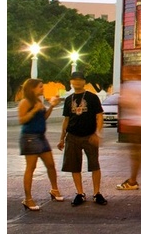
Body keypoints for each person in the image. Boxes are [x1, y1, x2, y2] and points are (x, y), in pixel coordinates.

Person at [57, 71, 106, 206]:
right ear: (71, 82)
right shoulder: (69, 99)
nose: (77, 82)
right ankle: (80, 193)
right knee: (74, 166)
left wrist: (97, 133)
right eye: (74, 80)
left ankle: (97, 193)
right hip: (72, 136)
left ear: (84, 81)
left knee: (94, 165)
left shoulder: (92, 97)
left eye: (80, 79)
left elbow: (99, 116)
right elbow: (66, 119)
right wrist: (62, 138)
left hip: (89, 135)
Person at [17, 78, 65, 211]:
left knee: (51, 165)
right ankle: (28, 199)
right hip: (29, 137)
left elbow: (43, 118)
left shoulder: (39, 101)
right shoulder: (25, 102)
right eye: (40, 87)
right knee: (31, 168)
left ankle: (54, 190)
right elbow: (21, 120)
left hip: (41, 137)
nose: (42, 88)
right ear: (32, 88)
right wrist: (33, 110)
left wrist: (52, 106)